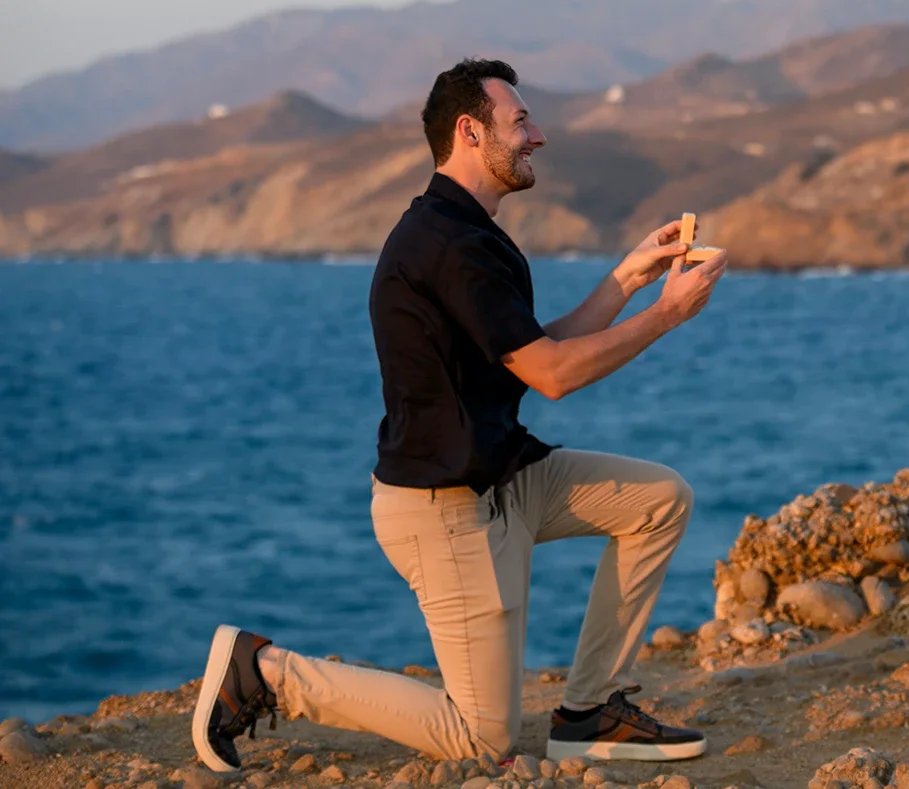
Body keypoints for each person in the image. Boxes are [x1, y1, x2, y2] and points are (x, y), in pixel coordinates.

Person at [193, 58, 729, 774]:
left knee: (659, 499)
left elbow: (536, 349)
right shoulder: (448, 244)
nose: (537, 135)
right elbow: (555, 377)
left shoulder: (466, 231)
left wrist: (629, 276)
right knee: (484, 740)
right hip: (447, 511)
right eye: (521, 121)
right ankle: (265, 672)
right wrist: (665, 315)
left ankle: (588, 711)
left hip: (505, 477)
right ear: (470, 131)